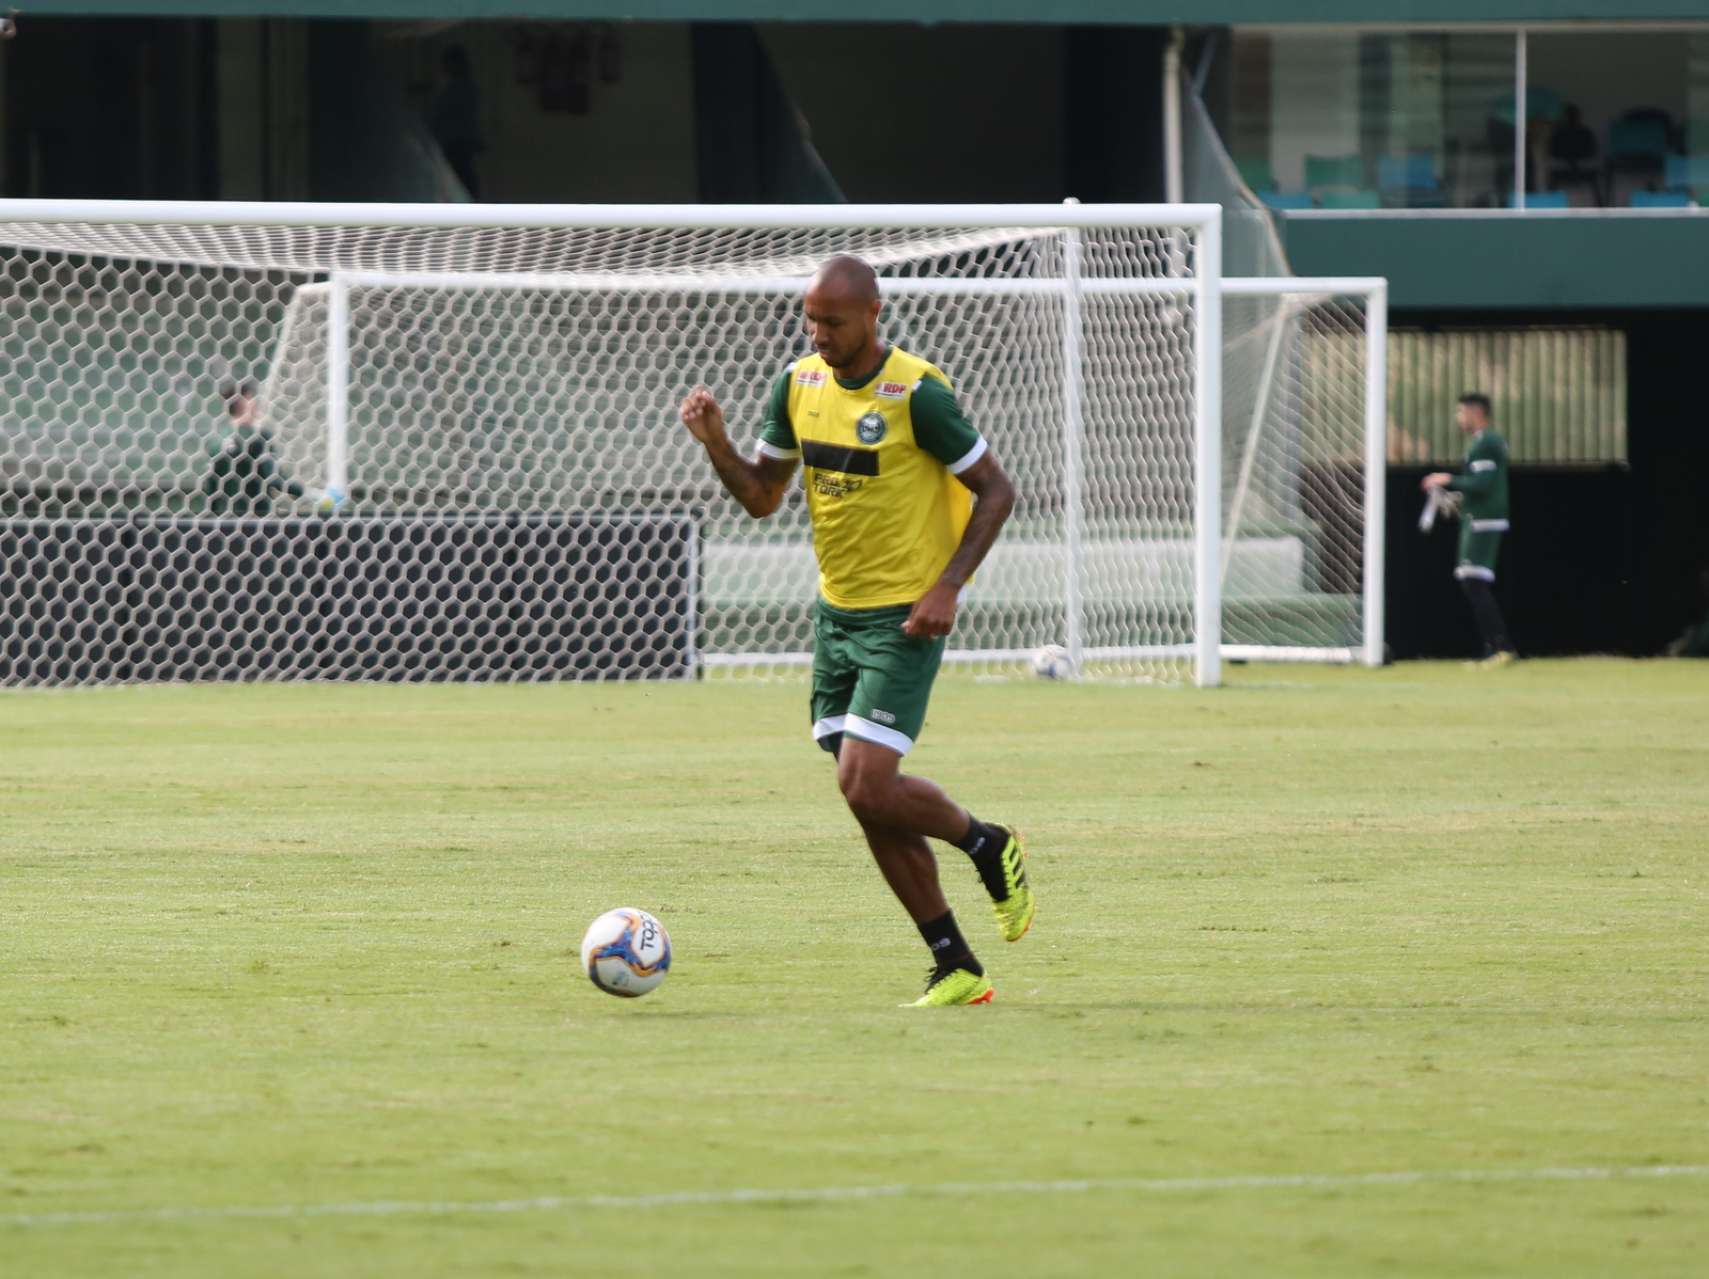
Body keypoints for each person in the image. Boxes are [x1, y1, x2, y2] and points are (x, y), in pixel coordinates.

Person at [678, 255, 1033, 1007]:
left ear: (874, 312)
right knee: (866, 797)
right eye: (810, 319)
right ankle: (956, 964)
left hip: (904, 614)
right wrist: (716, 443)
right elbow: (761, 498)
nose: (819, 334)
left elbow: (997, 491)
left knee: (865, 781)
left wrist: (948, 586)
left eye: (833, 321)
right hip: (834, 614)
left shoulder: (917, 394)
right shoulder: (796, 383)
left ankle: (986, 841)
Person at [1422, 392, 1516, 666]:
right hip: (1478, 516)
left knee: (1473, 581)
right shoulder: (1481, 443)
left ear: (1476, 413)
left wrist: (1447, 478)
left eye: (1460, 412)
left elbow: (1483, 485)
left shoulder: (1486, 443)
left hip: (1484, 520)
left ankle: (1500, 648)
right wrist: (1458, 502)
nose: (1458, 418)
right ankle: (1495, 648)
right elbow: (1481, 485)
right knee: (1472, 581)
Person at [203, 381, 308, 517]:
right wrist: (304, 492)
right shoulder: (258, 437)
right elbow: (275, 480)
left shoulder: (215, 440)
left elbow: (210, 487)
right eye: (252, 398)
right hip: (257, 522)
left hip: (225, 522)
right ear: (245, 400)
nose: (256, 403)